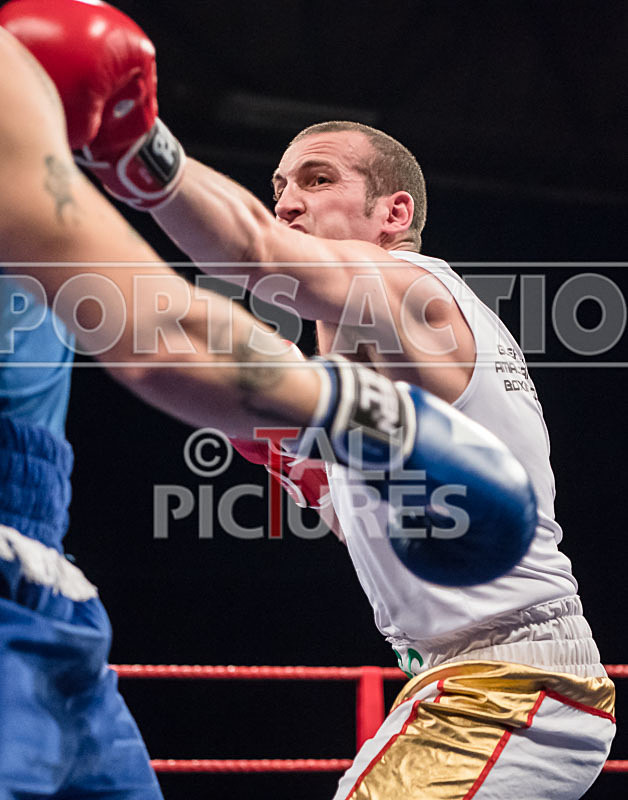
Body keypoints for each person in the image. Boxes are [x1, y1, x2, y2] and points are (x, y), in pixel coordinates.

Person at [13, 3, 613, 798]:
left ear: (393, 215)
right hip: (461, 686)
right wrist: (309, 476)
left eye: (318, 180)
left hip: (504, 692)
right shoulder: (363, 359)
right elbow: (396, 517)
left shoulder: (413, 286)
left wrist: (138, 150)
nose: (288, 200)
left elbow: (253, 255)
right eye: (280, 184)